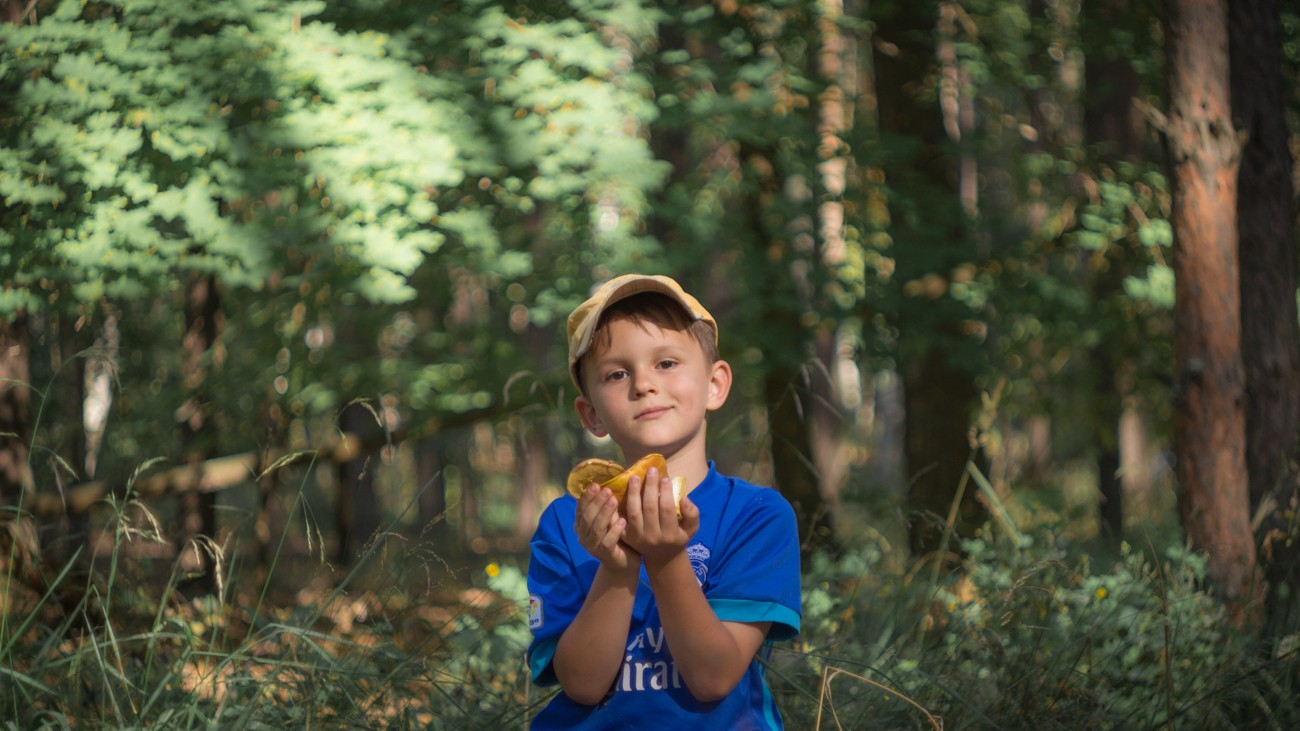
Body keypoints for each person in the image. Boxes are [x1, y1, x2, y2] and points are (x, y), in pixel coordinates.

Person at [525, 273, 802, 729]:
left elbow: (713, 677)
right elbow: (583, 684)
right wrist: (616, 568)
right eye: (617, 373)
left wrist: (666, 557)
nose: (644, 384)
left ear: (715, 384)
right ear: (591, 414)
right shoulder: (566, 523)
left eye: (667, 363)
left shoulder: (757, 516)